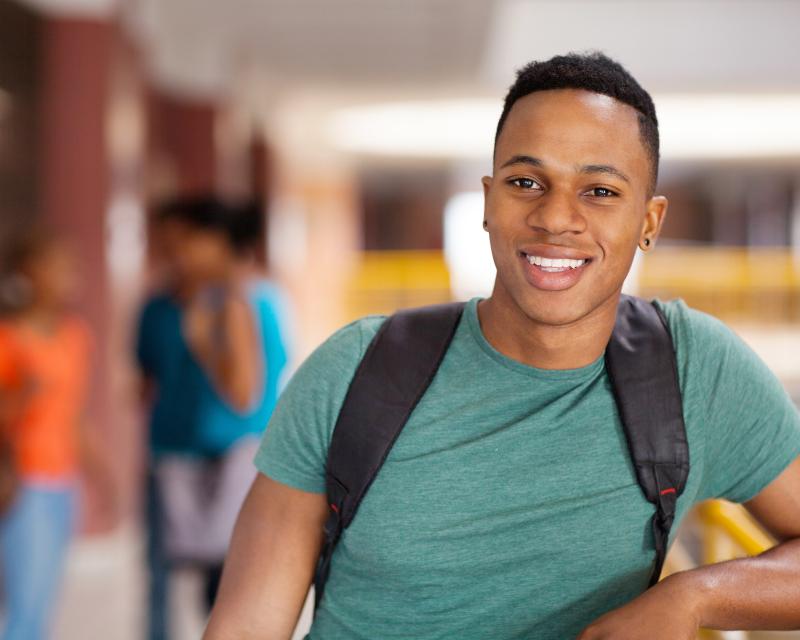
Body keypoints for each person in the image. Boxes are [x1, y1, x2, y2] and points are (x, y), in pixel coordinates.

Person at [204, 52, 800, 640]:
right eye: (525, 182)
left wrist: (696, 597)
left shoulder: (693, 371)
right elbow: (245, 624)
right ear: (488, 202)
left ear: (650, 221)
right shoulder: (357, 370)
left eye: (599, 191)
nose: (555, 217)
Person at [136, 196, 289, 640]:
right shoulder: (162, 305)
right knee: (166, 577)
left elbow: (243, 394)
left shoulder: (242, 301)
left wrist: (203, 341)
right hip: (172, 452)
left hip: (234, 458)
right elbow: (146, 380)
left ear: (218, 244)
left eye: (187, 242)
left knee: (226, 586)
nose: (176, 254)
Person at [0, 227, 112, 640]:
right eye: (57, 266)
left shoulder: (75, 337)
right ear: (28, 273)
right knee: (24, 606)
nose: (69, 274)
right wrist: (21, 397)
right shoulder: (8, 338)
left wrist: (103, 474)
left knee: (43, 601)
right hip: (20, 483)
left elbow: (74, 416)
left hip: (62, 482)